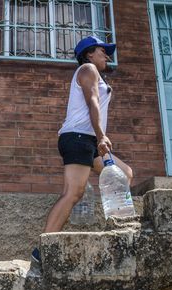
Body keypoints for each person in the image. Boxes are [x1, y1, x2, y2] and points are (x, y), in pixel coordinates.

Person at [31, 36, 133, 263]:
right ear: (88, 54)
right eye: (102, 51)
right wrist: (102, 136)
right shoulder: (88, 69)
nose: (107, 55)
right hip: (78, 138)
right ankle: (42, 250)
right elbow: (92, 102)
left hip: (89, 142)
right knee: (73, 193)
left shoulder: (97, 74)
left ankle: (119, 231)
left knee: (125, 174)